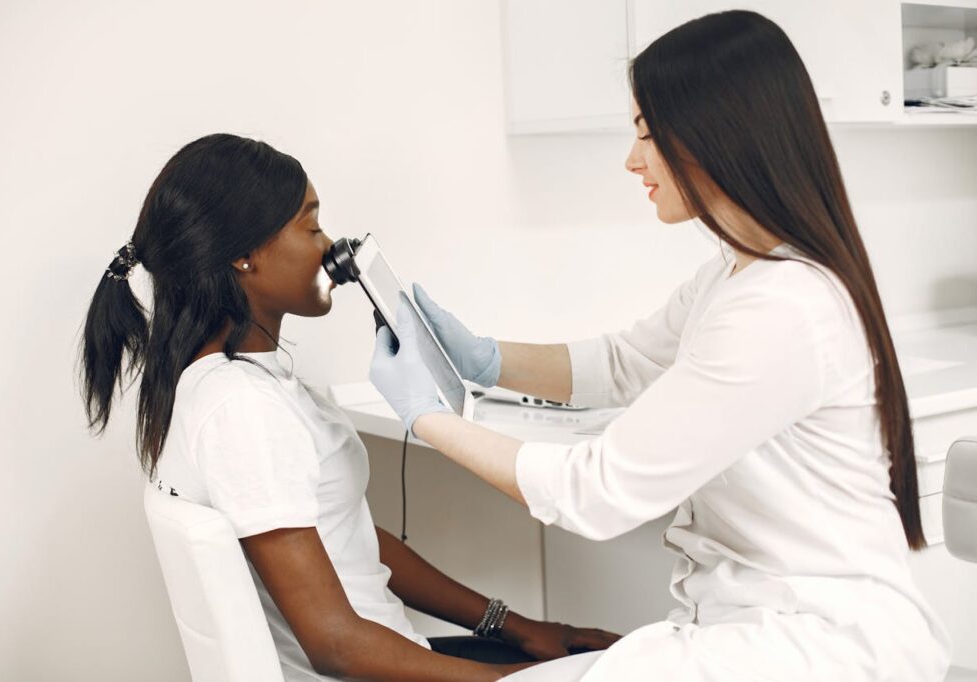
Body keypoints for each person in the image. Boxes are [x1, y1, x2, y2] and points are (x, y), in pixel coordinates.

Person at [368, 11, 952, 681]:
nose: (631, 158)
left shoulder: (784, 308)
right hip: (754, 625)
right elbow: (623, 363)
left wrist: (428, 415)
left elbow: (596, 492)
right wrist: (484, 357)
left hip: (820, 645)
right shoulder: (739, 272)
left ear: (713, 135)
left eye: (646, 131)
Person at [79, 133, 618, 682]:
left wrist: (513, 626)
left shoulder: (230, 383)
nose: (328, 244)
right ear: (243, 255)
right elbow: (335, 645)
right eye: (311, 226)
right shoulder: (242, 408)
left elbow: (347, 539)